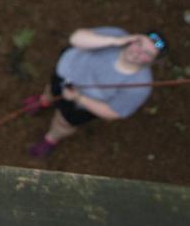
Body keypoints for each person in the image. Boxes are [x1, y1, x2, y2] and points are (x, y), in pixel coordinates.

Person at [25, 27, 163, 159]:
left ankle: (51, 139)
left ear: (152, 61)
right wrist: (115, 41)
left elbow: (114, 113)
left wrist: (79, 98)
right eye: (139, 44)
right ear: (133, 39)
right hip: (63, 75)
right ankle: (44, 101)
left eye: (147, 53)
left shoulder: (140, 86)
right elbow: (76, 38)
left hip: (81, 105)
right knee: (51, 90)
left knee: (63, 122)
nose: (138, 52)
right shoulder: (116, 36)